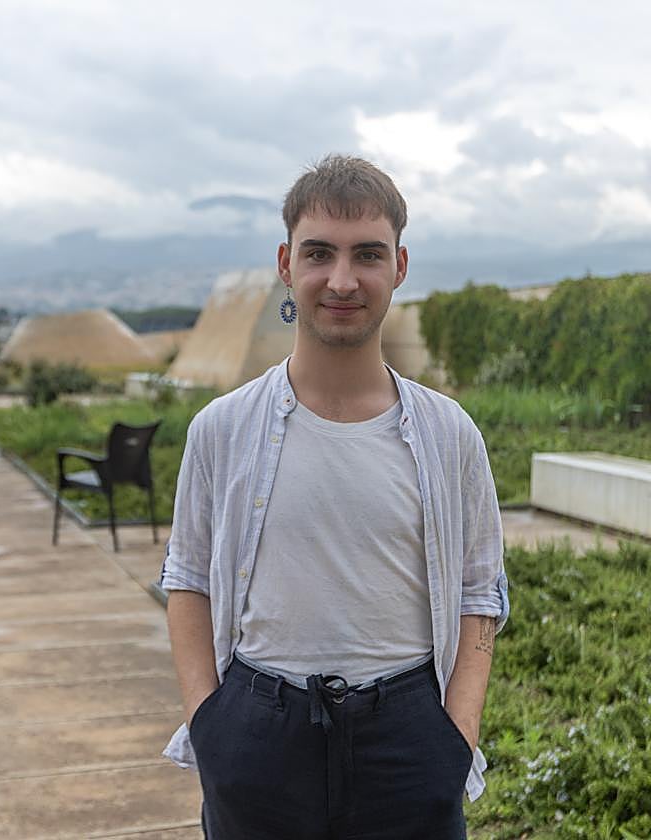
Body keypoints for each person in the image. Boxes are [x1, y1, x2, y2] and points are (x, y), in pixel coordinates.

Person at [160, 154, 509, 839]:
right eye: (319, 253)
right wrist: (211, 724)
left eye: (367, 254)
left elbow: (481, 590)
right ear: (286, 264)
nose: (342, 280)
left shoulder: (450, 434)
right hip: (256, 733)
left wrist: (456, 733)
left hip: (410, 738)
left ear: (399, 266)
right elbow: (187, 578)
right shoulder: (221, 429)